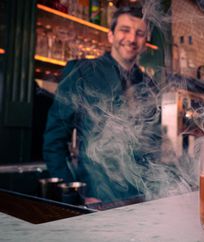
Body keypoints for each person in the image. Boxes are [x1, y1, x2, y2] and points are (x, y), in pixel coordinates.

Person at [43, 6, 161, 203]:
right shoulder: (80, 71)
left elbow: (153, 145)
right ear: (110, 36)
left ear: (145, 43)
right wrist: (75, 194)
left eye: (139, 33)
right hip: (96, 196)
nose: (132, 39)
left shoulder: (150, 85)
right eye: (125, 30)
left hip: (142, 198)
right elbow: (54, 140)